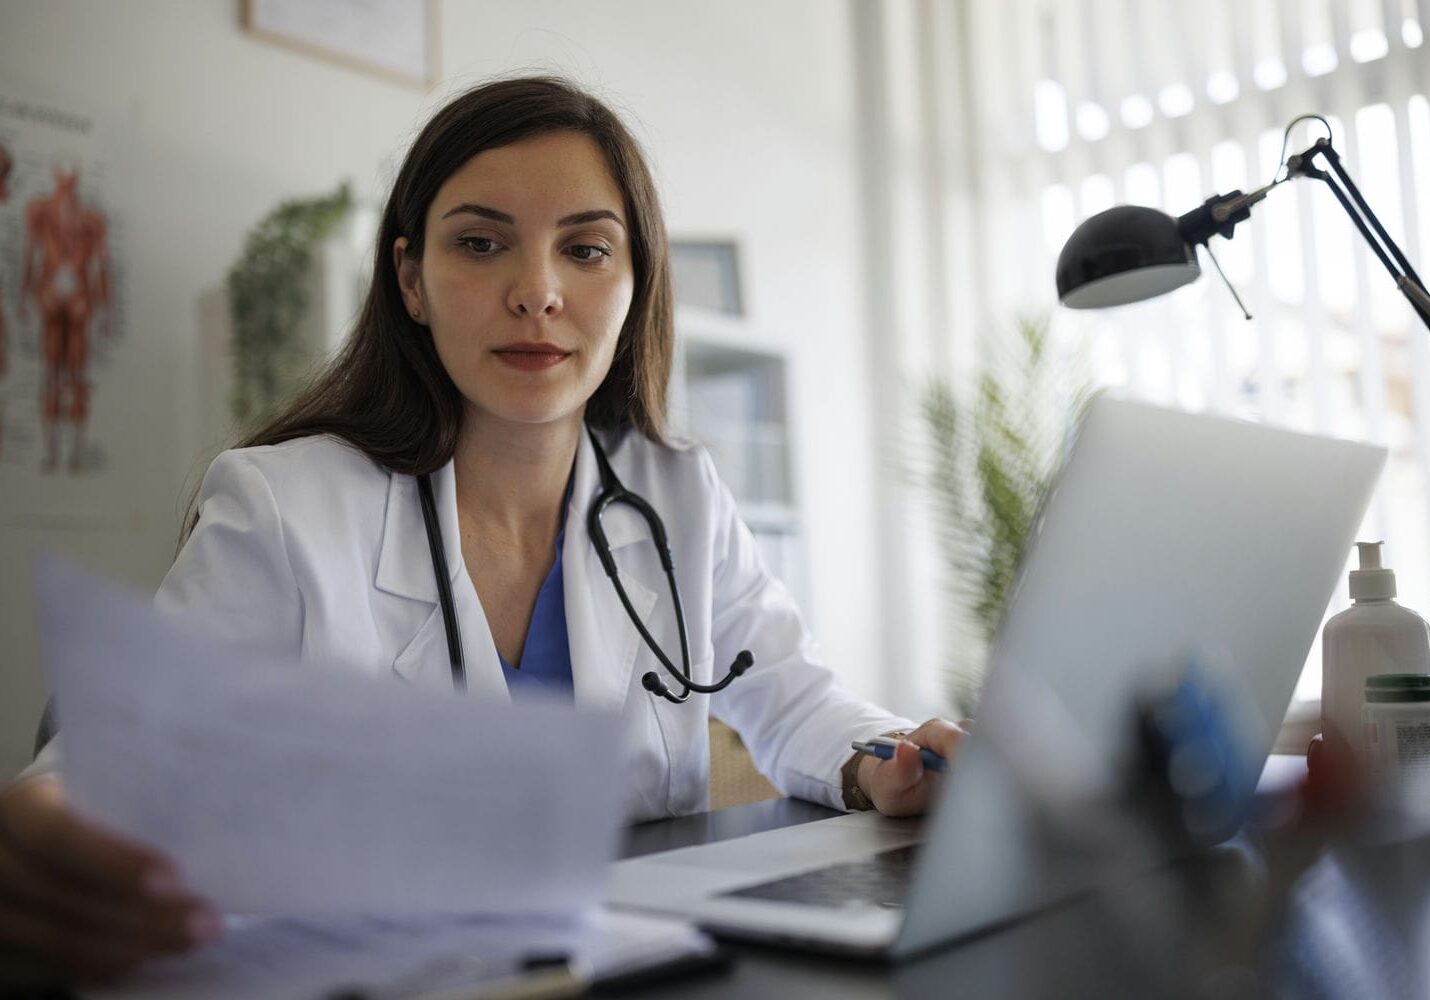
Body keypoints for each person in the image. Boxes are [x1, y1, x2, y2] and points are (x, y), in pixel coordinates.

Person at [0, 76, 968, 989]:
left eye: (584, 250)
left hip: (624, 968)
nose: (536, 292)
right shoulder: (283, 507)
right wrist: (44, 829)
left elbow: (792, 697)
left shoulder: (677, 495)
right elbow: (110, 766)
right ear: (410, 280)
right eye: (479, 243)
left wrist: (880, 759)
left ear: (635, 285)